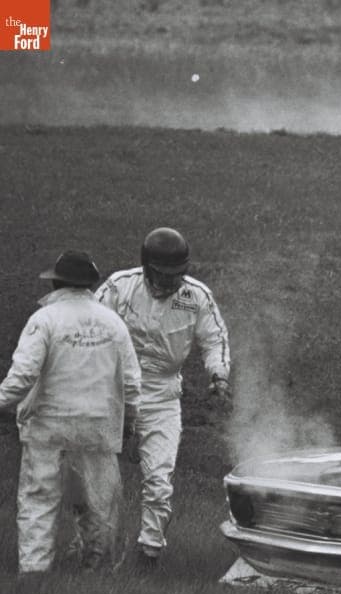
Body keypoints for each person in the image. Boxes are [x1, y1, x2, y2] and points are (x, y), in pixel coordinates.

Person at [95, 227, 231, 570]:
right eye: (163, 275)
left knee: (159, 479)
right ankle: (93, 548)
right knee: (98, 476)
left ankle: (149, 554)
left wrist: (219, 376)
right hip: (113, 391)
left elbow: (215, 339)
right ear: (147, 267)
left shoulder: (197, 297)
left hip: (163, 395)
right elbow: (88, 322)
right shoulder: (119, 286)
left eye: (177, 276)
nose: (171, 283)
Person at [0, 251, 141, 574]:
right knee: (99, 500)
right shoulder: (113, 322)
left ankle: (34, 571)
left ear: (55, 281)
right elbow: (132, 381)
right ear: (91, 284)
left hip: (49, 424)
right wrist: (130, 420)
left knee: (40, 498)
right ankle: (98, 568)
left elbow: (22, 376)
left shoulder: (45, 319)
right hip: (99, 425)